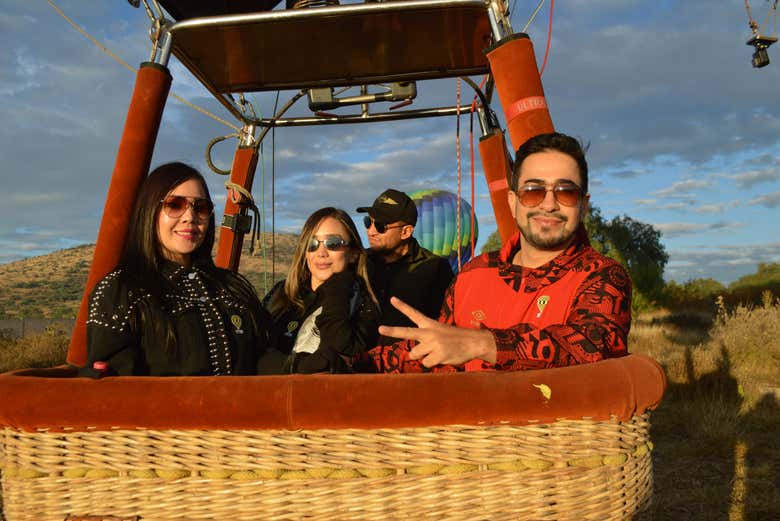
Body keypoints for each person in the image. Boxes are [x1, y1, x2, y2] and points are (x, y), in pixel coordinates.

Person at [364, 132, 632, 373]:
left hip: (555, 428)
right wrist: (355, 365)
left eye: (566, 192)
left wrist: (482, 344)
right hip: (471, 425)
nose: (549, 204)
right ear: (513, 202)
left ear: (583, 206)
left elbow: (592, 345)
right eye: (533, 191)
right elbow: (442, 347)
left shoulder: (601, 276)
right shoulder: (474, 273)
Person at [82, 162, 274, 376]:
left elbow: (267, 359)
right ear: (150, 211)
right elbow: (113, 389)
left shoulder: (232, 289)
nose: (189, 217)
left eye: (200, 208)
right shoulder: (120, 291)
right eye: (175, 205)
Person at [261, 207, 380, 373]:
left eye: (333, 243)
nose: (321, 252)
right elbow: (253, 351)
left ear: (353, 254)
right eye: (312, 244)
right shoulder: (281, 294)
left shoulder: (363, 305)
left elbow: (336, 354)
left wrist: (339, 283)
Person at [356, 188, 453, 342]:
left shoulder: (434, 268)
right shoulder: (359, 261)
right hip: (358, 359)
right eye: (368, 222)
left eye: (381, 226)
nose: (371, 231)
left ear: (406, 232)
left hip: (407, 359)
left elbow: (445, 324)